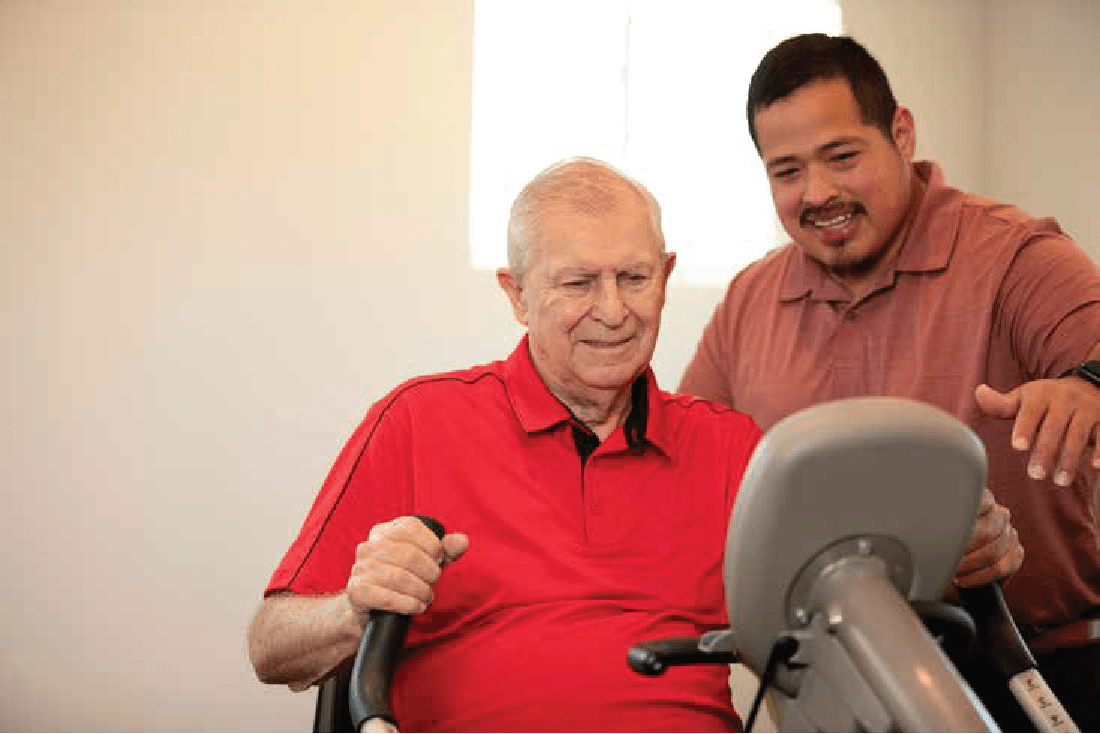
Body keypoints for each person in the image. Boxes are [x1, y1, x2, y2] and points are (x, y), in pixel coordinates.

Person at [247, 158, 1020, 733]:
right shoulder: (419, 420)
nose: (613, 311)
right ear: (516, 295)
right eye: (578, 283)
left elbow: (840, 611)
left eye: (635, 277)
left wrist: (964, 550)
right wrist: (357, 606)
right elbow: (270, 646)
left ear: (667, 277)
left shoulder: (732, 449)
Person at [678, 32, 1100, 732]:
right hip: (829, 687)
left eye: (842, 157)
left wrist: (1086, 387)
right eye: (786, 172)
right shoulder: (749, 300)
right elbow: (687, 465)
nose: (818, 194)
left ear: (900, 134)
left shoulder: (1014, 256)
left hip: (1033, 669)